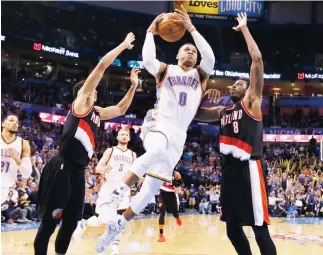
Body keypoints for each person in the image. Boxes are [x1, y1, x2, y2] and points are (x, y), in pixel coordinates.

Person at [95, 6, 219, 252]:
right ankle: (115, 196)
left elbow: (211, 58)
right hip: (158, 122)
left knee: (151, 188)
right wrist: (151, 33)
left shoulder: (200, 75)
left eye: (193, 50)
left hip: (180, 134)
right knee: (155, 150)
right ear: (177, 55)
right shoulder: (166, 70)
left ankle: (118, 225)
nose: (191, 52)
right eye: (186, 49)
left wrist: (192, 29)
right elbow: (148, 61)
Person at [33, 33, 140, 255]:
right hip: (62, 166)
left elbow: (120, 110)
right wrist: (122, 45)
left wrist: (133, 87)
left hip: (79, 171)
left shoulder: (97, 113)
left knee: (71, 222)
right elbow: (101, 67)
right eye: (94, 89)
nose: (97, 91)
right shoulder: (81, 104)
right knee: (51, 221)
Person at [195, 13, 277, 255]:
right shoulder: (223, 111)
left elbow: (257, 60)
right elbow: (193, 114)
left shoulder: (251, 102)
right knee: (232, 229)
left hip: (249, 168)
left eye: (238, 83)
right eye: (232, 84)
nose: (233, 86)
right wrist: (202, 94)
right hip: (228, 171)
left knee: (259, 228)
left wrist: (244, 30)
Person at [73, 129, 136, 255]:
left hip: (123, 191)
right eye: (122, 134)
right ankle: (83, 224)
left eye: (126, 135)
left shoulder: (133, 155)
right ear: (117, 137)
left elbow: (134, 172)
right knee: (100, 221)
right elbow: (98, 167)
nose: (124, 136)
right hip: (108, 189)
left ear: (129, 138)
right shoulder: (110, 150)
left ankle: (114, 248)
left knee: (119, 220)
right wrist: (103, 169)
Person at [1, 114, 32, 210]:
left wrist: (15, 157)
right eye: (11, 120)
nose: (15, 123)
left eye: (17, 122)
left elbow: (27, 172)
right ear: (3, 124)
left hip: (6, 188)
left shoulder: (23, 143)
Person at [157, 171, 182, 242]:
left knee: (175, 213)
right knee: (162, 213)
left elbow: (180, 184)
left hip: (172, 195)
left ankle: (177, 217)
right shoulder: (160, 172)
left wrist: (178, 188)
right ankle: (161, 235)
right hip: (162, 195)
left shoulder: (176, 174)